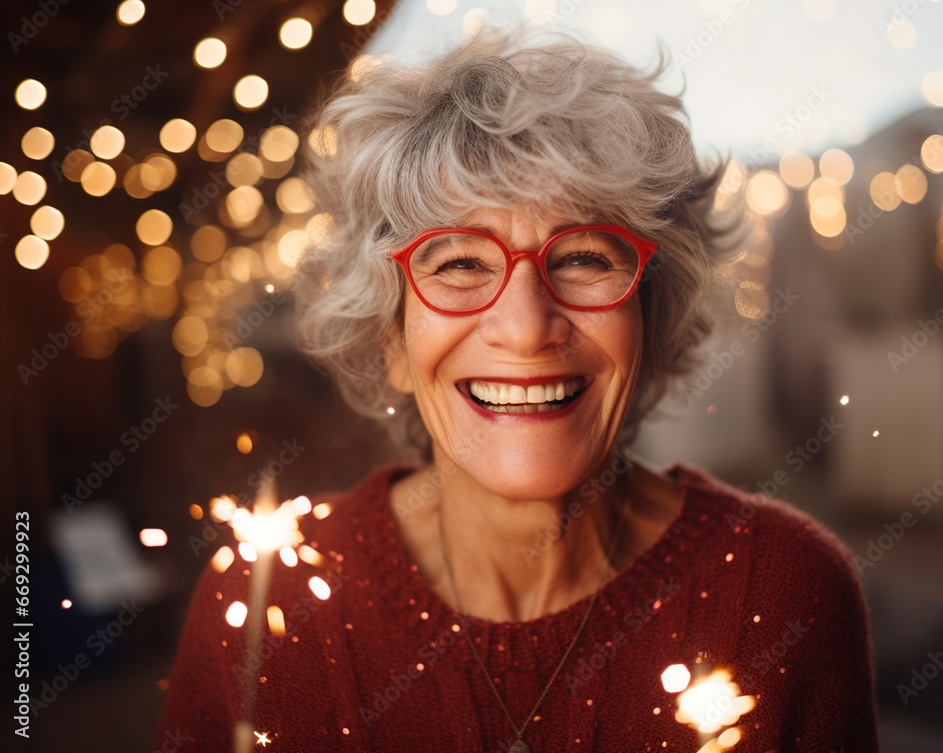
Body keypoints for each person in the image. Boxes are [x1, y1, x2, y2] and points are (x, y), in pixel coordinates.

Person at [156, 28, 880, 753]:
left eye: (585, 257)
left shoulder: (787, 590)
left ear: (650, 320)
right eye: (461, 262)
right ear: (391, 338)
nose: (528, 326)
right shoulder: (259, 601)